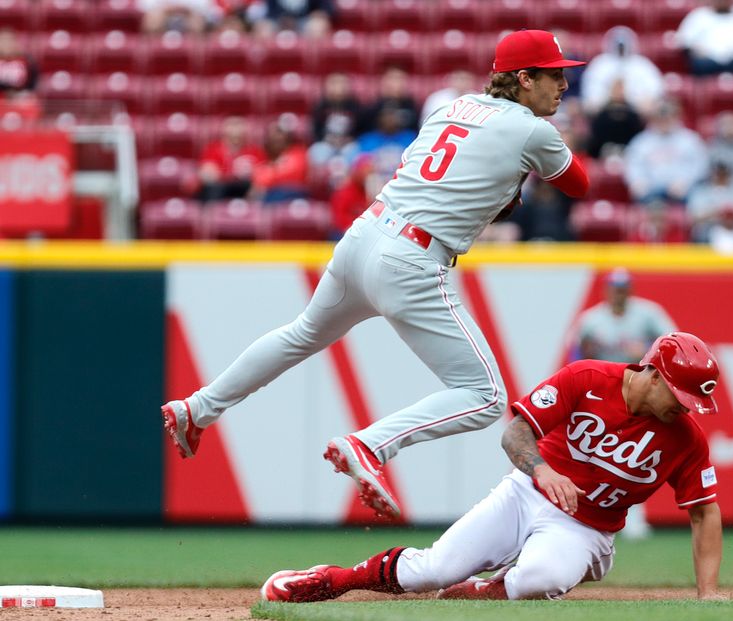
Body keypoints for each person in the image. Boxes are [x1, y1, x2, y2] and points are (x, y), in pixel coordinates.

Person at [162, 29, 590, 519]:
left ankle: (198, 407)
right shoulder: (533, 130)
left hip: (364, 233)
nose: (563, 85)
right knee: (486, 397)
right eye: (554, 75)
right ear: (523, 78)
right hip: (410, 257)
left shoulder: (452, 107)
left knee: (301, 333)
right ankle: (369, 446)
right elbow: (578, 183)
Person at [262, 332, 724, 602]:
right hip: (526, 492)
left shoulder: (686, 439)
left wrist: (706, 598)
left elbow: (705, 512)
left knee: (541, 578)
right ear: (656, 373)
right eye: (684, 397)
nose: (688, 409)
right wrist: (543, 470)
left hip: (587, 529)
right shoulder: (587, 378)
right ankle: (335, 580)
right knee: (433, 570)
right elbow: (514, 433)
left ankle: (482, 594)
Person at [572, 268, 677, 538]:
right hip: (605, 393)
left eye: (623, 287)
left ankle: (635, 518)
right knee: (599, 455)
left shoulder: (648, 313)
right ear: (607, 290)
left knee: (638, 453)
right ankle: (596, 516)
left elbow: (675, 343)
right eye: (615, 287)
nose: (619, 292)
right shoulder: (591, 320)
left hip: (641, 394)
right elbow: (576, 357)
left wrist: (645, 349)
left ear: (630, 289)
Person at [624, 99, 709, 205]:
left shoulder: (690, 140)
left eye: (668, 117)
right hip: (651, 189)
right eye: (660, 118)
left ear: (676, 117)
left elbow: (700, 166)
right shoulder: (642, 141)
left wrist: (686, 182)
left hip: (682, 190)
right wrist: (637, 181)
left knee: (697, 198)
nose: (664, 121)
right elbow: (633, 165)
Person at [580, 26, 664, 117]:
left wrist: (629, 97)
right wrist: (611, 97)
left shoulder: (642, 64)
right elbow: (590, 93)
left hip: (636, 114)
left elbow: (656, 90)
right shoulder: (599, 64)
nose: (621, 48)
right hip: (604, 114)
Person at [675, 0, 733, 76]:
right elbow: (684, 42)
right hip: (710, 62)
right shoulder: (698, 15)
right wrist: (696, 51)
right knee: (699, 65)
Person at [196, 116, 267, 203]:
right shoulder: (212, 150)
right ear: (224, 129)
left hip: (245, 187)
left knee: (259, 190)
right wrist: (229, 174)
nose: (235, 129)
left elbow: (264, 174)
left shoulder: (255, 152)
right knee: (212, 188)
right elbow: (207, 175)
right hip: (221, 188)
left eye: (238, 124)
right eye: (232, 125)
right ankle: (212, 214)